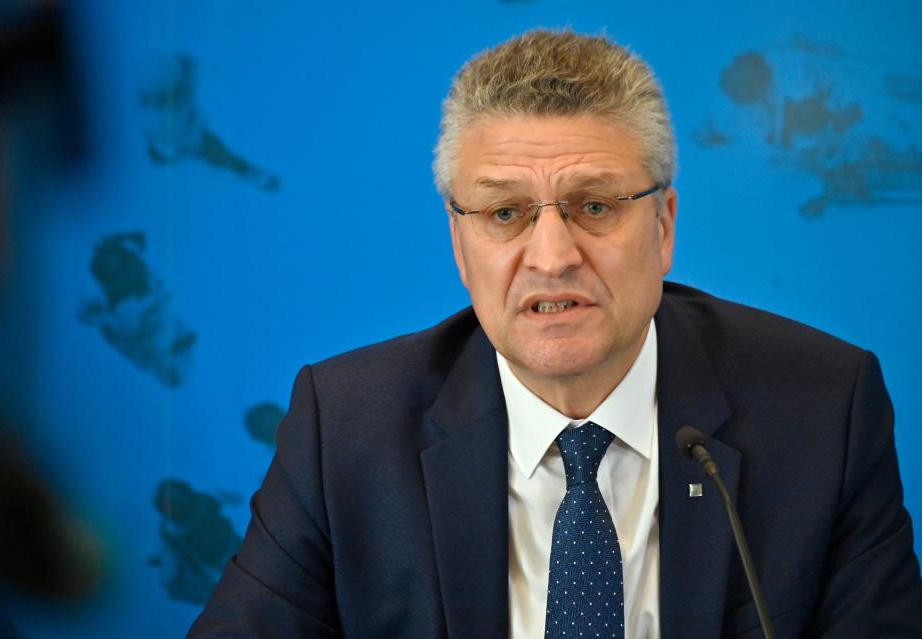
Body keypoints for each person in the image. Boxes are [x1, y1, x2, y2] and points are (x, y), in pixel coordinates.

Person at [188, 30, 922, 638]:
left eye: (594, 205)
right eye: (505, 213)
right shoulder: (345, 427)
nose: (552, 256)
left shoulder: (825, 409)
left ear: (663, 227)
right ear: (458, 242)